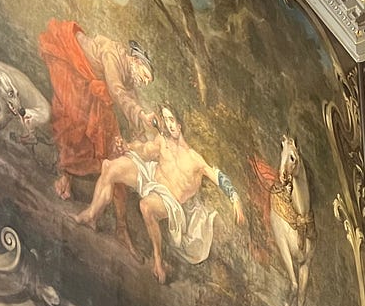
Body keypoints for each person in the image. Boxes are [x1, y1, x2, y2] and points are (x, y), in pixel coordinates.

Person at [75, 107, 244, 284]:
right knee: (110, 167)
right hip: (150, 177)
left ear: (179, 125)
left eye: (171, 120)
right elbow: (144, 150)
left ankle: (158, 261)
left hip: (168, 199)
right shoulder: (163, 142)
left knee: (146, 206)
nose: (169, 124)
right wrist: (128, 146)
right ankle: (91, 215)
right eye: (165, 119)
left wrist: (235, 198)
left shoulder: (194, 159)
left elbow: (216, 175)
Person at [38, 22, 155, 256]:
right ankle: (66, 178)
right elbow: (116, 90)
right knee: (74, 125)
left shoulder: (128, 74)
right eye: (145, 76)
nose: (144, 81)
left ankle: (121, 229)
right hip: (74, 69)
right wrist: (141, 114)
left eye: (146, 81)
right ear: (136, 62)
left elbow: (130, 99)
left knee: (114, 152)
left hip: (94, 90)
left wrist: (142, 129)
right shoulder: (114, 55)